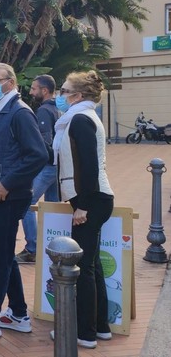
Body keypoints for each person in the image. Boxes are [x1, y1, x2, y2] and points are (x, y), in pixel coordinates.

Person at [0, 63, 48, 341]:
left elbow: (38, 155)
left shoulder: (19, 112)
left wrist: (7, 182)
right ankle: (18, 313)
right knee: (4, 255)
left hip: (9, 195)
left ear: (11, 82)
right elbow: (2, 152)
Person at [51, 71, 114, 349]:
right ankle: (100, 327)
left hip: (92, 200)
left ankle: (85, 333)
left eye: (64, 91)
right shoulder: (82, 117)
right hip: (96, 198)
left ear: (77, 96)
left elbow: (88, 166)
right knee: (91, 265)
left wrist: (82, 207)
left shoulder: (79, 118)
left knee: (83, 269)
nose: (60, 96)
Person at [16, 74, 60, 264]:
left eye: (34, 89)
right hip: (58, 165)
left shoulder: (43, 111)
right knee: (53, 206)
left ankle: (32, 248)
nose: (31, 92)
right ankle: (55, 245)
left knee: (26, 204)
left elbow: (44, 142)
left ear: (44, 90)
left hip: (47, 166)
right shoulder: (59, 109)